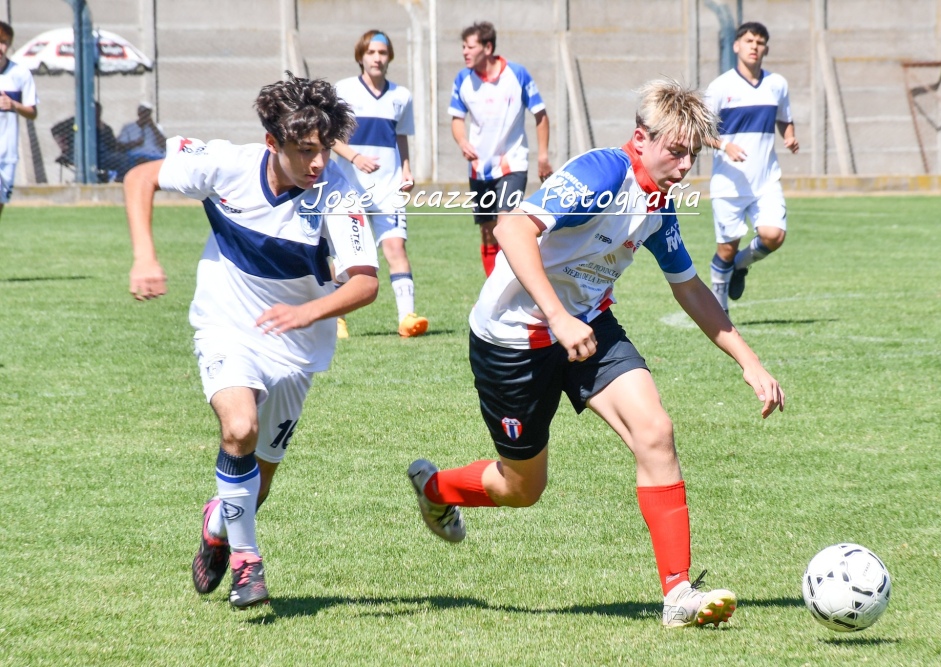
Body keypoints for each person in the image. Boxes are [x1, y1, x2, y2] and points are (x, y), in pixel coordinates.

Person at [407, 79, 785, 629]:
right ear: (641, 139)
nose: (684, 166)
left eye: (692, 155)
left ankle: (678, 593)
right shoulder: (602, 174)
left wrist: (749, 362)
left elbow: (690, 287)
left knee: (655, 430)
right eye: (675, 151)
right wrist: (556, 319)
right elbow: (510, 226)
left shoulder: (659, 204)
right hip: (513, 338)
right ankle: (436, 488)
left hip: (589, 328)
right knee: (522, 488)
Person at [124, 73, 379, 609]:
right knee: (239, 426)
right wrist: (145, 255)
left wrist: (306, 311)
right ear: (272, 143)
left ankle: (219, 521)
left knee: (255, 484)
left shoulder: (339, 192)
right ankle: (247, 562)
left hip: (297, 345)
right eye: (303, 151)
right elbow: (140, 177)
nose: (317, 164)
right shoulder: (226, 165)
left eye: (323, 151)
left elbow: (364, 282)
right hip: (225, 324)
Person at [331, 29, 428, 339]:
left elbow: (400, 137)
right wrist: (355, 157)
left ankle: (407, 318)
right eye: (371, 52)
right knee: (348, 255)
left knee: (396, 247)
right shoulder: (343, 91)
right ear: (361, 56)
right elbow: (329, 136)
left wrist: (407, 170)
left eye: (382, 53)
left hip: (388, 187)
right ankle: (337, 318)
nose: (377, 58)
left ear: (389, 58)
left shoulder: (401, 96)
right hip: (349, 187)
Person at [704, 21, 799, 312]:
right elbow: (699, 130)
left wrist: (790, 135)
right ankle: (721, 316)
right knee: (726, 248)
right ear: (736, 46)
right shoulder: (721, 86)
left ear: (765, 48)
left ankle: (740, 267)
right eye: (748, 41)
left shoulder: (777, 84)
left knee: (774, 235)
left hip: (766, 179)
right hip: (729, 182)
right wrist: (724, 145)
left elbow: (784, 117)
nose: (754, 47)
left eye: (759, 42)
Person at [449, 21, 552, 276]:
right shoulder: (463, 79)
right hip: (479, 169)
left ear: (488, 47)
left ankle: (516, 287)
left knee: (506, 225)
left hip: (512, 164)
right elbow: (456, 119)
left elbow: (541, 115)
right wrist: (463, 142)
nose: (465, 52)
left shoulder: (517, 75)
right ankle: (493, 291)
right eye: (463, 46)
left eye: (470, 47)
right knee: (487, 231)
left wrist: (542, 155)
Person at [0, 20, 38, 221]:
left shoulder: (20, 74)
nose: (1, 47)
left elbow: (32, 112)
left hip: (7, 154)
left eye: (4, 42)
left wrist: (13, 105)